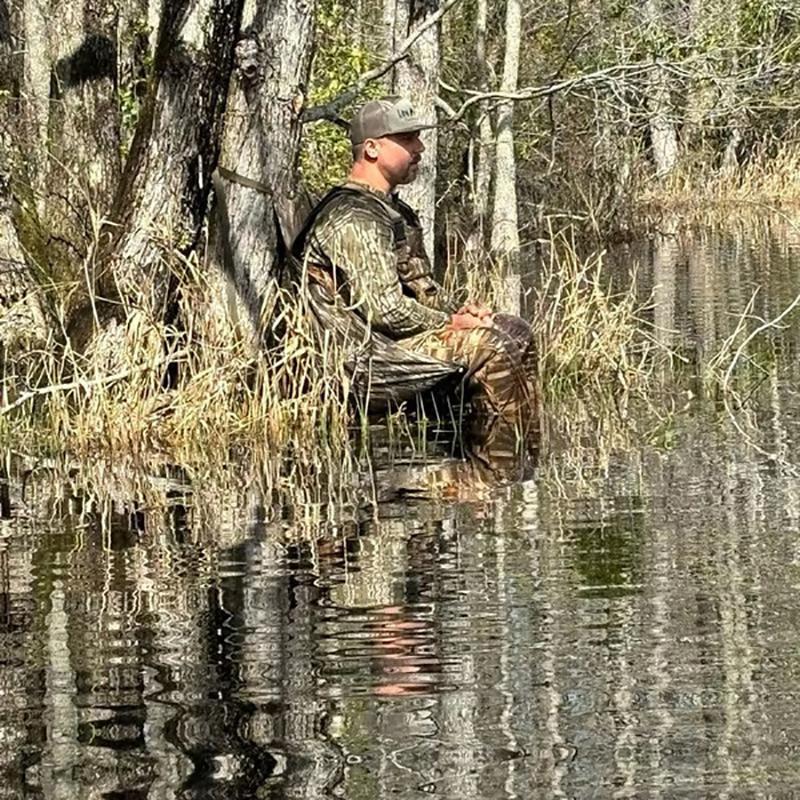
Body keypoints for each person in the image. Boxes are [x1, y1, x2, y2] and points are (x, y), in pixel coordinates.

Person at [294, 95, 537, 424]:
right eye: (407, 139)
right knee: (491, 346)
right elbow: (386, 312)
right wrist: (450, 324)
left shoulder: (394, 211)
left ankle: (498, 436)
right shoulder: (354, 213)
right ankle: (504, 451)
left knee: (514, 329)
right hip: (364, 356)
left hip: (395, 342)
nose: (419, 148)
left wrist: (460, 312)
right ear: (372, 149)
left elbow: (421, 288)